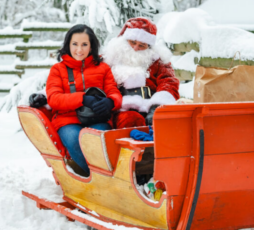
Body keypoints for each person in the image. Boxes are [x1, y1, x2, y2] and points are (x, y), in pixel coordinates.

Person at [34, 24, 122, 177]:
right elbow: (54, 99)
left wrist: (111, 102)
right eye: (75, 44)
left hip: (97, 117)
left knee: (98, 140)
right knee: (75, 140)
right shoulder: (57, 69)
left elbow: (113, 92)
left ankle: (108, 178)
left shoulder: (103, 68)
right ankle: (98, 179)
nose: (79, 50)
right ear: (68, 45)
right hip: (67, 120)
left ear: (91, 47)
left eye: (84, 45)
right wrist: (83, 99)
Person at [103, 17, 180, 128]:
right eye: (132, 42)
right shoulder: (110, 57)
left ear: (149, 47)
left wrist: (157, 107)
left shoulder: (158, 61)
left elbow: (169, 82)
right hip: (122, 109)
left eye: (142, 45)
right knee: (132, 120)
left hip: (150, 106)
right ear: (125, 40)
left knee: (164, 123)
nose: (135, 48)